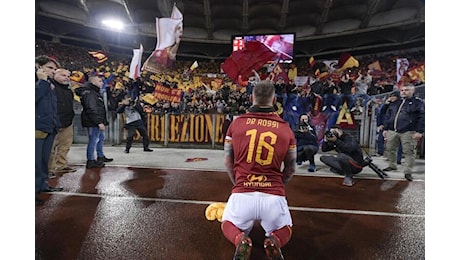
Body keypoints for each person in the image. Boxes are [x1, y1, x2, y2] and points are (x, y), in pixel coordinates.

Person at [221, 80, 297, 260]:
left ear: (250, 98)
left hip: (242, 195)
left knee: (227, 223)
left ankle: (240, 239)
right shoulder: (286, 130)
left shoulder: (236, 124)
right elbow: (291, 168)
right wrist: (278, 183)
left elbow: (227, 161)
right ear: (274, 99)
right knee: (285, 229)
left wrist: (239, 183)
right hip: (273, 197)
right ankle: (275, 240)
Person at [35, 55, 64, 206]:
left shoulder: (48, 84)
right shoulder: (40, 83)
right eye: (49, 68)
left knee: (44, 160)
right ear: (38, 66)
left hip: (49, 127)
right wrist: (41, 82)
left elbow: (53, 108)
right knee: (35, 161)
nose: (53, 71)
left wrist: (56, 124)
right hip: (36, 126)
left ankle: (42, 185)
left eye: (54, 69)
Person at [382, 84, 424, 181]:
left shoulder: (418, 103)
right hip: (392, 130)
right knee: (389, 149)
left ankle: (407, 172)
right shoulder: (395, 102)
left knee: (409, 152)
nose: (403, 92)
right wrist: (385, 128)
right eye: (402, 90)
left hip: (408, 131)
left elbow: (422, 117)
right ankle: (392, 165)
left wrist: (419, 131)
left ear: (412, 91)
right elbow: (388, 115)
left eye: (407, 90)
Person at [75, 74, 113, 168]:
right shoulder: (90, 93)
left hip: (96, 120)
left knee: (100, 139)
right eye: (99, 81)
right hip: (93, 121)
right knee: (94, 140)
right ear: (93, 82)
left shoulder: (94, 92)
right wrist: (98, 122)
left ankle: (100, 156)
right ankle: (90, 160)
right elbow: (91, 109)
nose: (102, 83)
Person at [48, 69, 76, 177]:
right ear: (55, 75)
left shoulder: (68, 91)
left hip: (67, 121)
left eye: (68, 76)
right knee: (51, 147)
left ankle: (61, 164)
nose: (66, 78)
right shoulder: (50, 88)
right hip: (54, 121)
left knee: (65, 145)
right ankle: (49, 169)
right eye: (63, 75)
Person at [376, 91, 402, 164]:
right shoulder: (387, 105)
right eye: (390, 96)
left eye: (393, 96)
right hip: (387, 126)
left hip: (398, 127)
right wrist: (380, 124)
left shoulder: (401, 104)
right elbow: (380, 113)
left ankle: (398, 159)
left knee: (398, 143)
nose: (391, 98)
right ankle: (387, 156)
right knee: (388, 143)